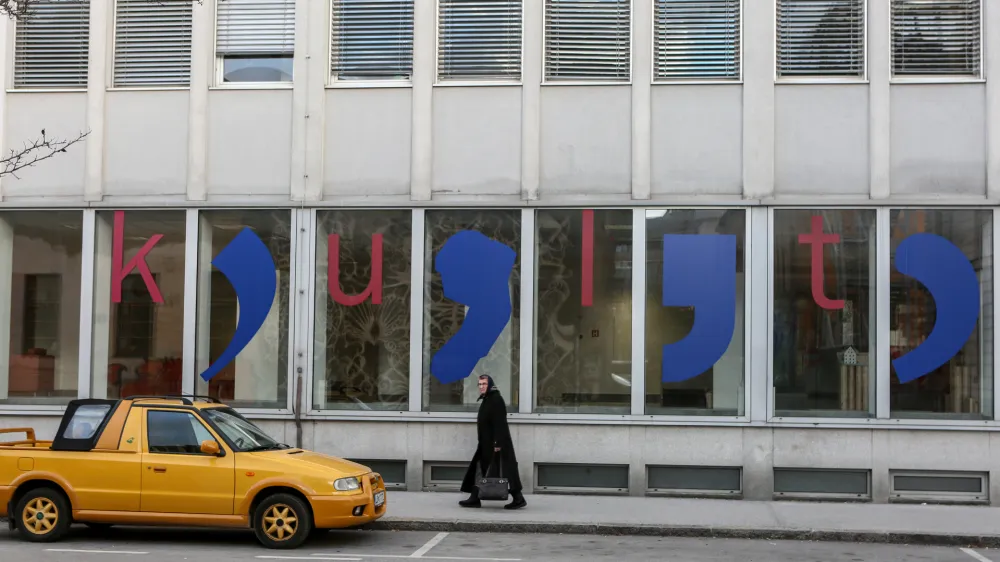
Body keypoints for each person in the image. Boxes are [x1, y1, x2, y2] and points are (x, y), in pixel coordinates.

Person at [459, 374, 526, 510]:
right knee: (479, 469)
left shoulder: (496, 400)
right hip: (485, 443)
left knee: (505, 470)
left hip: (495, 444)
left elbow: (500, 423)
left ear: (490, 385)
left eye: (484, 384)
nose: (481, 387)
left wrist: (498, 444)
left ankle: (518, 498)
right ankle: (474, 497)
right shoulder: (487, 399)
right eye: (480, 384)